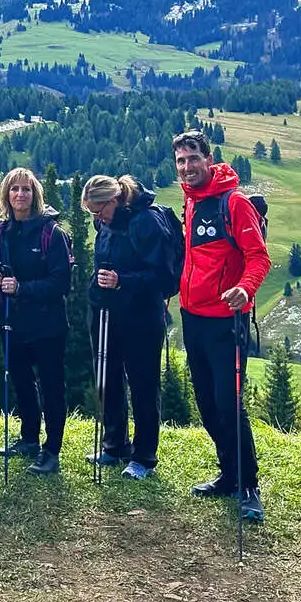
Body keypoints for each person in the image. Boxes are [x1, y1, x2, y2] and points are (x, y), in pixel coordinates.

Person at [173, 128, 270, 522]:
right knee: (208, 405)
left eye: (193, 158)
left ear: (209, 159)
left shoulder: (235, 203)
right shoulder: (192, 201)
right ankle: (228, 475)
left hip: (226, 322)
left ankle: (248, 485)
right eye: (180, 161)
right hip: (193, 318)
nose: (187, 166)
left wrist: (244, 290)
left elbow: (258, 258)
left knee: (229, 405)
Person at [82, 174, 177, 480]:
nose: (98, 219)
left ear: (114, 200)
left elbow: (162, 277)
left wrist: (123, 280)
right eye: (93, 215)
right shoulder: (106, 223)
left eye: (100, 211)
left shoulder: (147, 221)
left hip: (142, 315)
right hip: (107, 311)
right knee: (107, 378)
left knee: (143, 384)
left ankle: (144, 456)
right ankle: (115, 445)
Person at [0, 167, 72, 476]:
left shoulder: (52, 233)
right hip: (11, 322)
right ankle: (29, 439)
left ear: (36, 195)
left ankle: (52, 450)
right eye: (14, 189)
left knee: (51, 387)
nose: (20, 194)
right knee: (21, 382)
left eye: (26, 189)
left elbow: (62, 282)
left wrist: (21, 288)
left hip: (48, 324)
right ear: (6, 195)